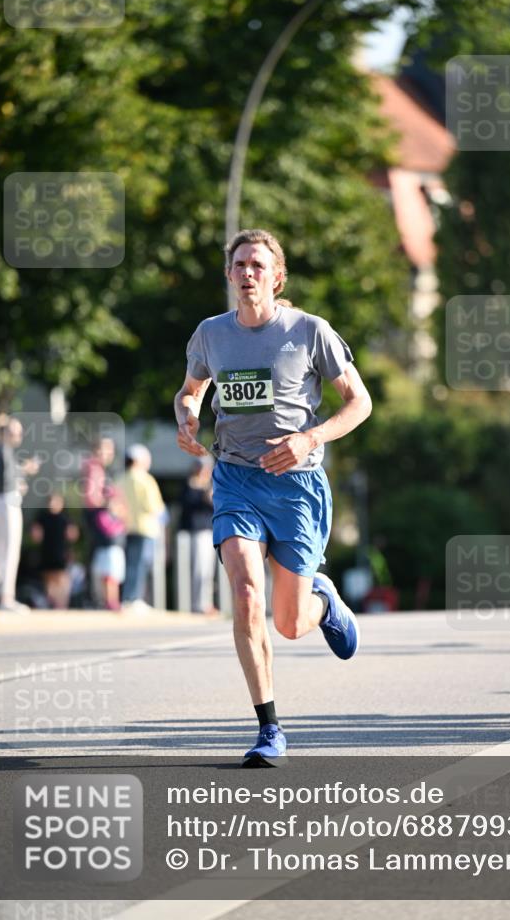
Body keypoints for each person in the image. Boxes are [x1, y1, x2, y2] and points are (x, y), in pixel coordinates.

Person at [174, 228, 372, 766]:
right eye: (239, 265)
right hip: (235, 478)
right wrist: (188, 418)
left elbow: (360, 402)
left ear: (277, 276)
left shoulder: (310, 331)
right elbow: (191, 391)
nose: (247, 273)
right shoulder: (211, 335)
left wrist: (311, 437)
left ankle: (323, 600)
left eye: (258, 265)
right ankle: (269, 728)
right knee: (243, 595)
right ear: (229, 275)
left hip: (297, 486)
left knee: (287, 622)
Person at [0, 417, 40, 612]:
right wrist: (24, 470)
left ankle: (0, 594)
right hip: (5, 503)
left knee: (1, 550)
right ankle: (5, 597)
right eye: (14, 432)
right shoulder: (2, 449)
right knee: (9, 550)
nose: (18, 436)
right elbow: (8, 478)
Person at [117, 444, 166, 611]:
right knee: (140, 564)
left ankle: (127, 598)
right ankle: (135, 599)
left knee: (130, 564)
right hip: (146, 528)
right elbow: (155, 507)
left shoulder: (121, 479)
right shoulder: (145, 479)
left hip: (127, 528)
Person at [81, 437, 125, 610]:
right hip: (101, 521)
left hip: (99, 519)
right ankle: (107, 600)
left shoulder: (96, 468)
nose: (109, 454)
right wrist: (110, 504)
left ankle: (102, 599)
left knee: (101, 558)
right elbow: (92, 498)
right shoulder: (94, 468)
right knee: (108, 558)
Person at [179, 458, 216, 613]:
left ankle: (205, 602)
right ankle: (197, 604)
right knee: (198, 571)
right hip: (195, 533)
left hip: (209, 532)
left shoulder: (212, 487)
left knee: (208, 571)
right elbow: (187, 505)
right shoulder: (188, 485)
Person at [30, 493, 79, 609]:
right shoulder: (42, 517)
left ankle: (62, 605)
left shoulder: (65, 518)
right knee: (49, 579)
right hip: (47, 552)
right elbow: (36, 535)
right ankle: (53, 603)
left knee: (62, 579)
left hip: (61, 553)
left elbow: (73, 536)